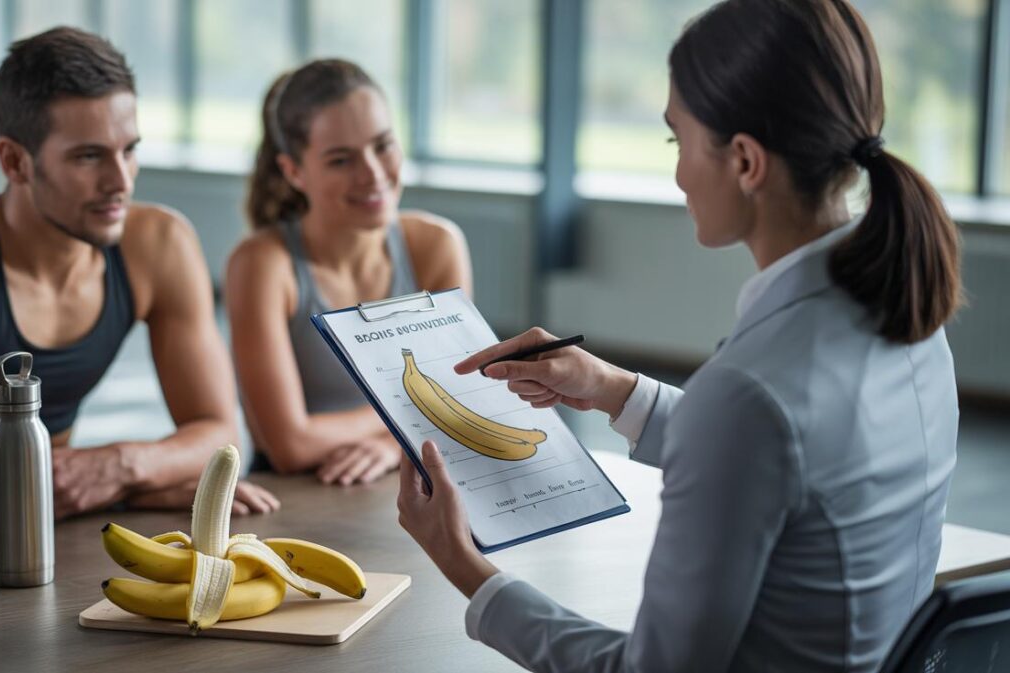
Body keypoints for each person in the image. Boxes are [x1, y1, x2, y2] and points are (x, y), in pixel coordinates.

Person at [397, 0, 963, 670]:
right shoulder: (909, 318)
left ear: (745, 161)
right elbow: (779, 462)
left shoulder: (748, 394)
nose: (677, 174)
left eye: (678, 142)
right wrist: (615, 389)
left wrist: (466, 568)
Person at [0, 27, 278, 535]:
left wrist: (122, 466)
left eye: (129, 150)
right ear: (15, 161)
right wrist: (139, 489)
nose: (120, 181)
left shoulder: (160, 242)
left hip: (55, 518)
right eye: (88, 156)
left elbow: (218, 438)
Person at [226, 59, 473, 486]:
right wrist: (412, 421)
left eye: (383, 145)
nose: (372, 174)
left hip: (402, 476)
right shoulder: (262, 265)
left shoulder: (435, 246)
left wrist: (392, 445)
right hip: (297, 495)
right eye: (341, 160)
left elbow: (461, 399)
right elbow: (289, 445)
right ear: (293, 172)